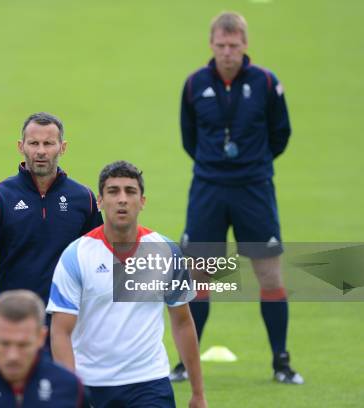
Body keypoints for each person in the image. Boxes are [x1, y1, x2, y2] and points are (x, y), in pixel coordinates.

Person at [174, 11, 303, 384]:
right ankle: (186, 363)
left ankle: (281, 362)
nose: (227, 52)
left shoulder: (266, 82)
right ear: (211, 45)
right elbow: (189, 137)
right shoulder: (194, 84)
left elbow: (281, 133)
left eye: (233, 45)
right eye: (220, 45)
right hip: (209, 188)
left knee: (268, 273)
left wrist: (253, 164)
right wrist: (215, 164)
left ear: (245, 45)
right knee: (198, 276)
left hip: (254, 188)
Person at [48, 161, 207, 408]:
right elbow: (60, 331)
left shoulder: (166, 252)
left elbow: (183, 322)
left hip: (149, 383)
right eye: (113, 191)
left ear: (142, 201)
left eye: (130, 191)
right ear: (100, 201)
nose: (122, 199)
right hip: (91, 385)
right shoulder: (76, 256)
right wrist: (72, 393)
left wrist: (198, 393)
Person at [0, 112, 103, 334]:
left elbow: (97, 261)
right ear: (21, 146)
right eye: (34, 143)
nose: (41, 151)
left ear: (62, 147)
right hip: (12, 323)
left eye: (49, 143)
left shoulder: (83, 199)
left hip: (68, 325)